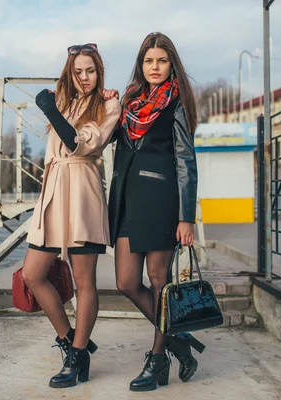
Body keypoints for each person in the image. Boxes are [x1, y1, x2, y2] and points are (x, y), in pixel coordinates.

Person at [106, 32, 205, 392]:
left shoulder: (175, 101)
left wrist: (186, 216)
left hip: (162, 199)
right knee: (126, 283)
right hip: (128, 200)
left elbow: (185, 160)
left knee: (159, 281)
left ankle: (158, 358)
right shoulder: (130, 102)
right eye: (149, 61)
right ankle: (180, 342)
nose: (155, 67)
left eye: (161, 61)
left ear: (171, 64)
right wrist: (104, 103)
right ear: (141, 64)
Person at [22, 42, 122, 388]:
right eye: (78, 71)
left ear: (99, 71)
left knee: (84, 282)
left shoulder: (109, 103)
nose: (84, 77)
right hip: (53, 191)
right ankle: (72, 342)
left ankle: (77, 357)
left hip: (83, 191)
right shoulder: (65, 99)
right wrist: (55, 103)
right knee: (32, 274)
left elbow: (80, 143)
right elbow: (57, 137)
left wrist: (50, 110)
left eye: (90, 70)